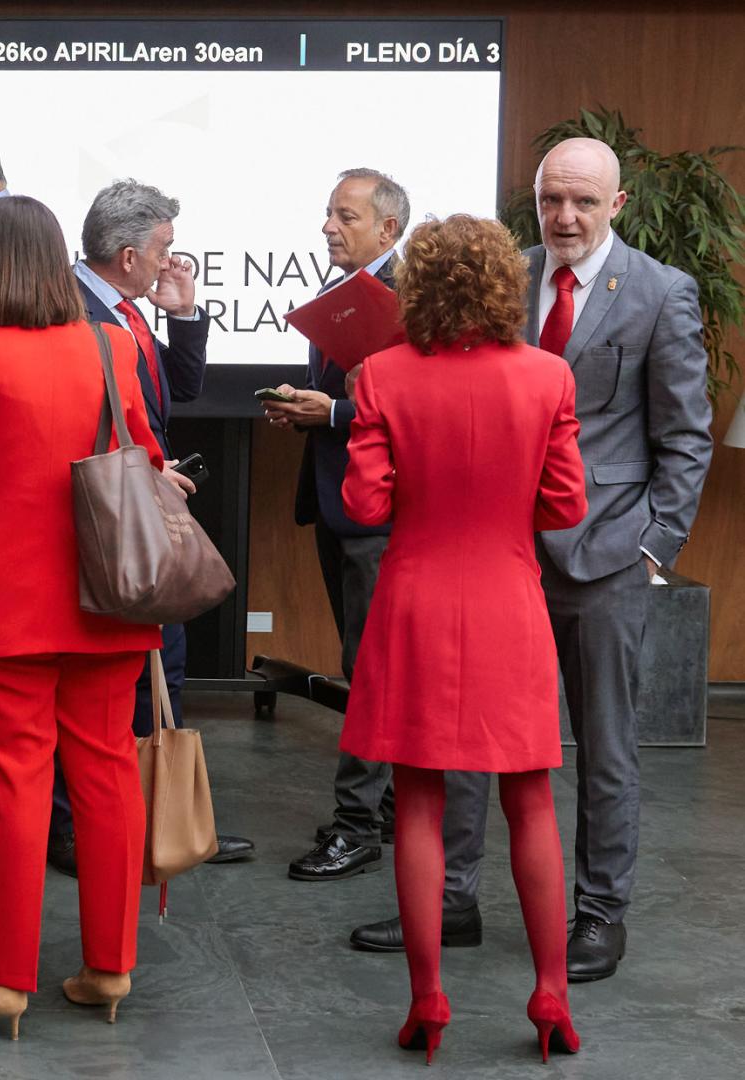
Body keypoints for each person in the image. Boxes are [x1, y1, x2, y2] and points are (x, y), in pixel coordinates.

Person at [351, 138, 715, 981]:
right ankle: (451, 902)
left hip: (608, 551)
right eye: (553, 199)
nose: (566, 217)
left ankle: (598, 914)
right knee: (467, 737)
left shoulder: (661, 293)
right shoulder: (502, 278)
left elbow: (685, 437)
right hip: (494, 557)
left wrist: (656, 546)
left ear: (617, 206)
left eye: (585, 202)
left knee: (606, 743)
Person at [0, 195, 194, 1037]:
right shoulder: (109, 342)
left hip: (2, 608)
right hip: (107, 600)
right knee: (107, 771)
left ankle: (3, 981)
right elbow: (144, 457)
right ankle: (109, 967)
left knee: (15, 788)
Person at [337, 213, 588, 1063]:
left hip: (414, 605)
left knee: (417, 800)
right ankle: (550, 995)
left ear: (421, 288)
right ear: (501, 287)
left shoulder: (380, 375)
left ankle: (428, 999)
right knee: (530, 801)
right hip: (510, 606)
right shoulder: (549, 377)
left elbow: (366, 508)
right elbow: (565, 507)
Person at [56, 178, 253, 873]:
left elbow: (183, 390)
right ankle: (89, 827)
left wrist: (185, 313)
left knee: (161, 664)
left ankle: (156, 817)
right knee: (113, 676)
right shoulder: (70, 309)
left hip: (150, 510)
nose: (174, 261)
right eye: (165, 249)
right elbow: (73, 426)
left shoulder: (131, 307)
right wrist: (142, 477)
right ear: (130, 255)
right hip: (114, 517)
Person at [263, 168, 410, 885]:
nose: (327, 227)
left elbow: (416, 410)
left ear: (388, 229)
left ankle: (360, 824)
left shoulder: (411, 299)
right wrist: (304, 406)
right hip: (336, 503)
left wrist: (336, 414)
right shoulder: (339, 296)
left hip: (379, 513)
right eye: (327, 213)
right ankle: (381, 809)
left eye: (343, 216)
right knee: (363, 663)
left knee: (374, 670)